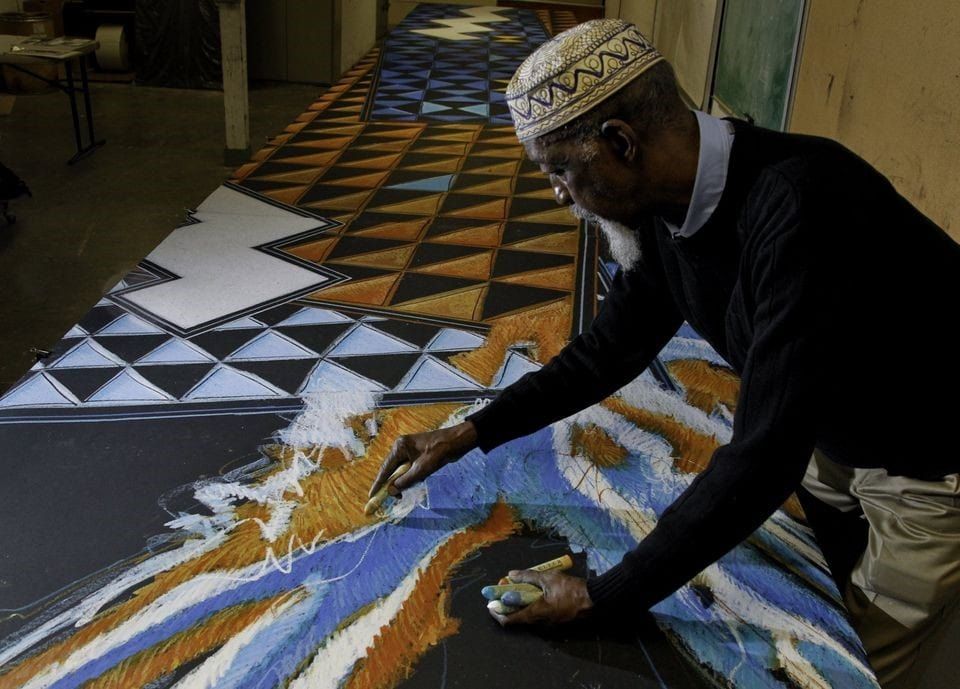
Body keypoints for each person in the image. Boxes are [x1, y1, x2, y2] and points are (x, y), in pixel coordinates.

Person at [368, 19, 960, 688]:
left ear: (619, 142)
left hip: (927, 465)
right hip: (837, 424)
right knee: (802, 572)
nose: (559, 196)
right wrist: (470, 430)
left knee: (837, 665)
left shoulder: (799, 208)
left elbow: (765, 454)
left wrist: (603, 594)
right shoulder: (662, 205)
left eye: (560, 169)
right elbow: (607, 351)